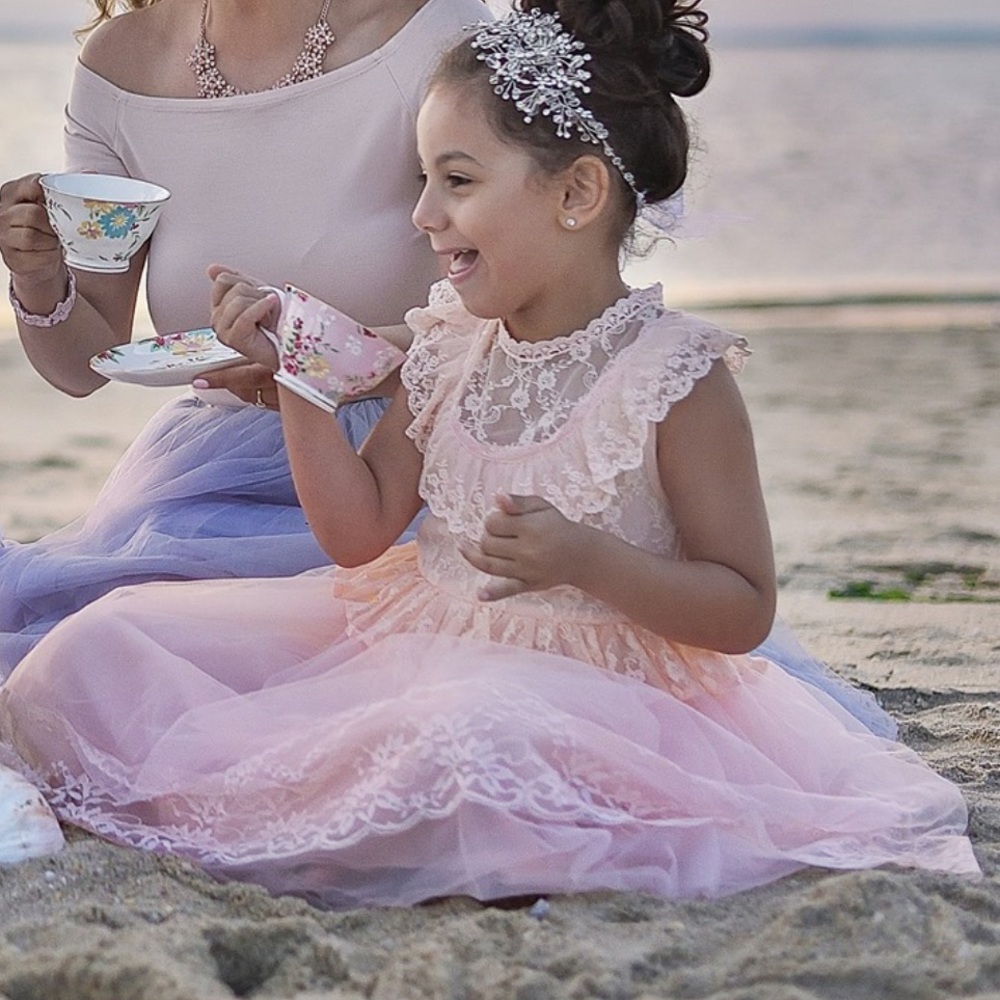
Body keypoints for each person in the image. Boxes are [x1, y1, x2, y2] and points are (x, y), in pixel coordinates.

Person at [0, 0, 978, 906]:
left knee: (467, 735)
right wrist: (297, 373)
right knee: (102, 644)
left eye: (451, 183)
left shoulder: (672, 377)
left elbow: (741, 604)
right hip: (378, 599)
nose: (423, 214)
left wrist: (587, 558)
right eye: (423, 182)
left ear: (579, 193)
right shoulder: (449, 348)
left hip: (575, 664)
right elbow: (353, 531)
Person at [0, 0, 487, 676]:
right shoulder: (119, 66)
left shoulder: (432, 34)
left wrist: (308, 358)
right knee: (80, 662)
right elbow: (85, 364)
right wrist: (40, 278)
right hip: (212, 485)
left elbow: (505, 314)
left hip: (408, 470)